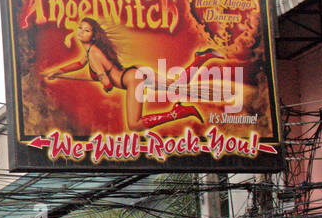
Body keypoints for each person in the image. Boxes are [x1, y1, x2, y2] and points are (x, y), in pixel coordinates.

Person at [44, 17, 204, 132]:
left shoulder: (93, 53)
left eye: (86, 30)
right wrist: (58, 71)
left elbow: (106, 83)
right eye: (80, 28)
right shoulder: (91, 51)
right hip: (134, 72)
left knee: (134, 125)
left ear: (92, 35)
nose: (81, 32)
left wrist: (103, 81)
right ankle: (200, 58)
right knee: (178, 86)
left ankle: (177, 113)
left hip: (131, 79)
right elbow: (79, 64)